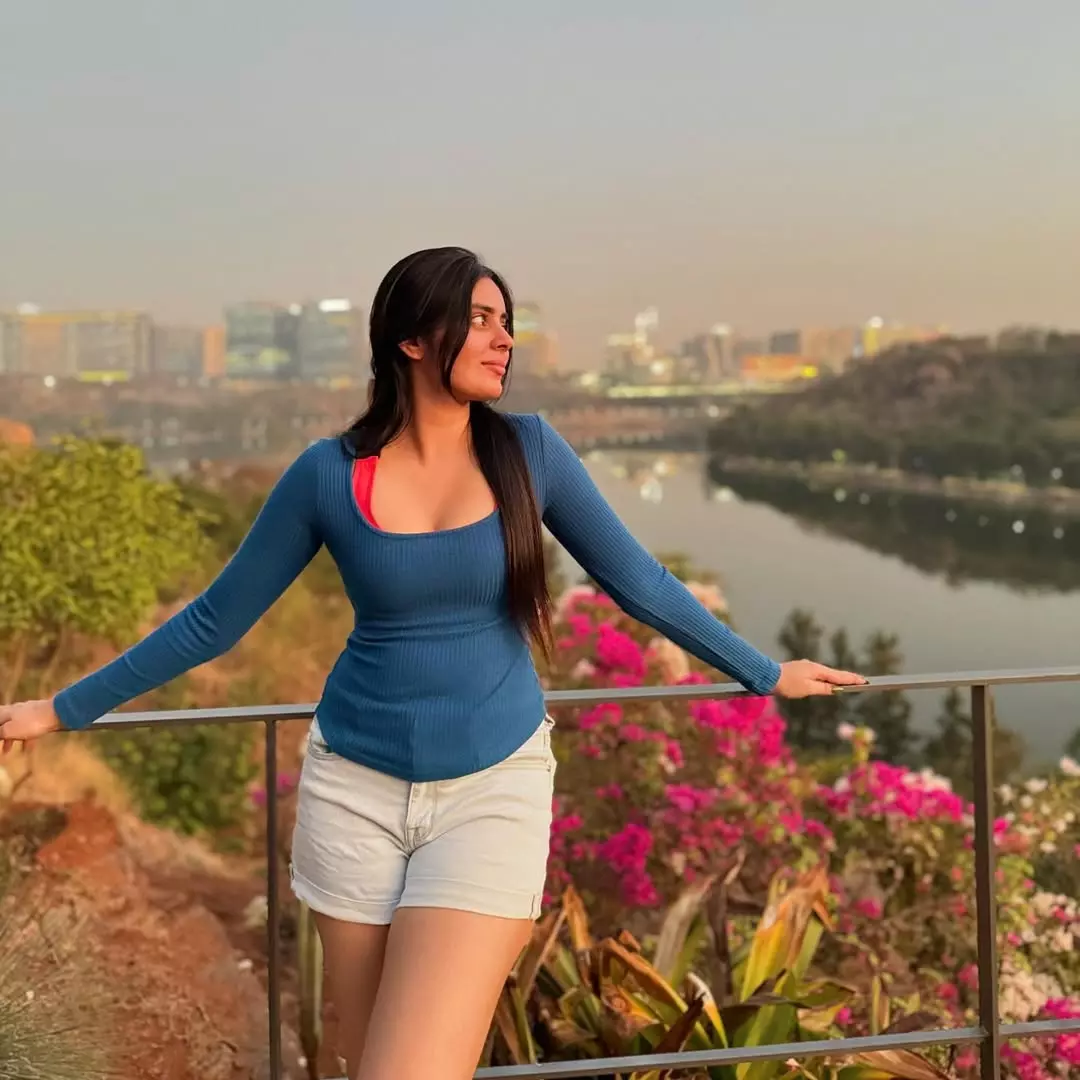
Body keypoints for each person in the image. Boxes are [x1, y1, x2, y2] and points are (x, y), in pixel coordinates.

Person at [0, 246, 866, 1080]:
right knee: (361, 1058)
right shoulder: (327, 474)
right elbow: (213, 621)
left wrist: (762, 672)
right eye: (480, 319)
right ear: (413, 339)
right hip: (352, 794)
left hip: (492, 792)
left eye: (506, 322)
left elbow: (638, 581)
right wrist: (57, 710)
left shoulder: (529, 452)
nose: (504, 339)